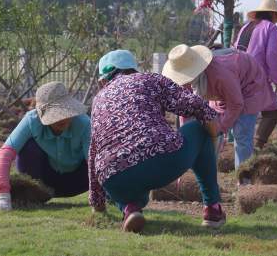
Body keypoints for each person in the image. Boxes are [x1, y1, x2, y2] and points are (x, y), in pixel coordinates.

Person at [89, 49, 224, 233]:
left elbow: (93, 153)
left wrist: (97, 202)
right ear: (133, 69)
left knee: (111, 165)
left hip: (114, 179)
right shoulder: (149, 80)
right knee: (198, 128)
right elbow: (191, 103)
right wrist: (213, 124)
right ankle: (213, 209)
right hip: (160, 159)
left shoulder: (97, 102)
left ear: (104, 80)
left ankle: (130, 209)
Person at [162, 44, 271, 171]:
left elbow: (236, 104)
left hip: (249, 86)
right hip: (223, 91)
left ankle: (244, 179)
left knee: (241, 135)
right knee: (211, 130)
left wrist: (220, 128)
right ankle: (205, 171)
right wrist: (185, 134)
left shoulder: (220, 75)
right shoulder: (185, 81)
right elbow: (186, 108)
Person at [0, 81, 91, 212]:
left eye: (65, 112)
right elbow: (4, 154)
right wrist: (3, 197)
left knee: (97, 154)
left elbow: (94, 162)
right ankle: (34, 195)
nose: (63, 119)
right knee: (28, 148)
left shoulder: (84, 123)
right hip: (43, 183)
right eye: (57, 114)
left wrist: (100, 193)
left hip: (78, 181)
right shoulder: (31, 120)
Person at [234, 0, 277, 149]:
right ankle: (257, 147)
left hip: (237, 75)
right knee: (271, 114)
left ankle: (248, 147)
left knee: (243, 114)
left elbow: (236, 48)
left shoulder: (246, 27)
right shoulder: (271, 28)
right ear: (273, 14)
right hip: (256, 77)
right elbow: (271, 55)